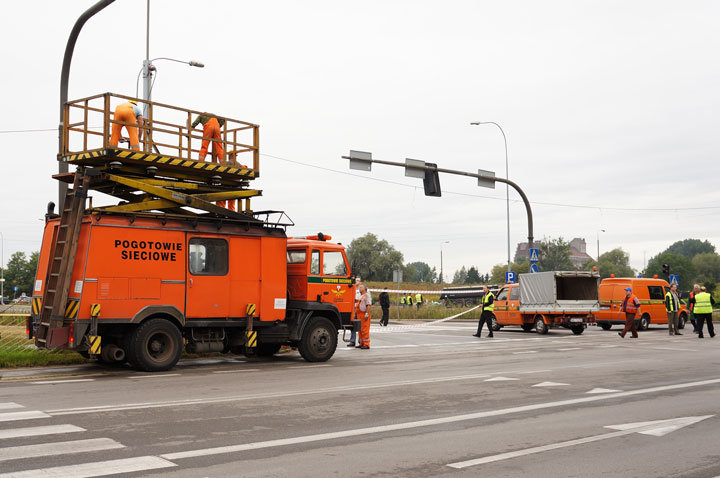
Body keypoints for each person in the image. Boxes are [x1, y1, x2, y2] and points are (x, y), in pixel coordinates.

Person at [348, 277, 362, 347]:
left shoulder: (361, 290)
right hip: (353, 309)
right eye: (356, 280)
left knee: (360, 326)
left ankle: (360, 341)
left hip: (359, 310)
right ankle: (352, 341)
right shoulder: (352, 289)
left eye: (358, 280)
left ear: (360, 282)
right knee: (352, 326)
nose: (356, 281)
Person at [357, 284, 372, 349]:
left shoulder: (367, 295)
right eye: (359, 287)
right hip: (359, 314)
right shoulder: (361, 296)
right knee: (360, 329)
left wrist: (366, 313)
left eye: (361, 287)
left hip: (364, 314)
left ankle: (366, 344)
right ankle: (361, 343)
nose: (359, 288)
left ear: (365, 289)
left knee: (365, 329)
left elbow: (368, 305)